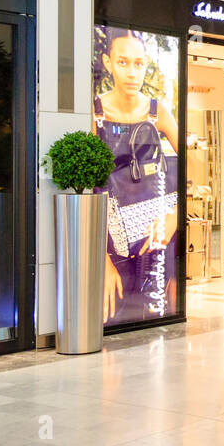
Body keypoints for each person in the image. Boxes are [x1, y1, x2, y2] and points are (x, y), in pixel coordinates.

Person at [93, 28, 179, 325]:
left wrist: (175, 218)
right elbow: (88, 189)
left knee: (161, 315)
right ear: (108, 63)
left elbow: (194, 166)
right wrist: (100, 257)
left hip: (159, 233)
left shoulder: (157, 113)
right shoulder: (96, 115)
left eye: (139, 63)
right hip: (113, 240)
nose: (132, 73)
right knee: (114, 316)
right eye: (123, 62)